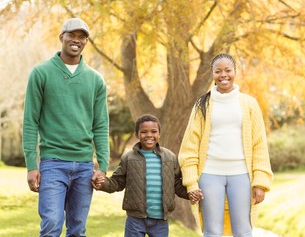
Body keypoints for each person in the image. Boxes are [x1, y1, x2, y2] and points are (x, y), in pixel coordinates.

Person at [22, 17, 109, 236]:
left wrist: (103, 166)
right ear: (62, 37)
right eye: (72, 35)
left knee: (78, 229)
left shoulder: (96, 80)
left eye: (82, 37)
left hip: (84, 165)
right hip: (52, 163)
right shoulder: (40, 73)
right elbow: (30, 121)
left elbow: (100, 125)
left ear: (86, 42)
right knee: (51, 223)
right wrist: (32, 164)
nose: (76, 40)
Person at [179, 53, 273, 237]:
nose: (224, 75)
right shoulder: (202, 105)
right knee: (212, 231)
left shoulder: (249, 104)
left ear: (235, 72)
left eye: (228, 70)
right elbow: (189, 147)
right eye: (218, 71)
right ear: (212, 74)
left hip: (242, 175)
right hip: (209, 175)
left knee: (243, 231)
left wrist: (260, 182)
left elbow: (259, 145)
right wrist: (191, 183)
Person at [93, 114, 190, 237]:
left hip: (161, 221)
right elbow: (117, 182)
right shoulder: (129, 158)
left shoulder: (169, 157)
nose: (149, 135)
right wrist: (103, 183)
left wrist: (191, 193)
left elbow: (177, 184)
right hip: (135, 219)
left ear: (159, 134)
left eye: (153, 131)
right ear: (137, 135)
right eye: (144, 132)